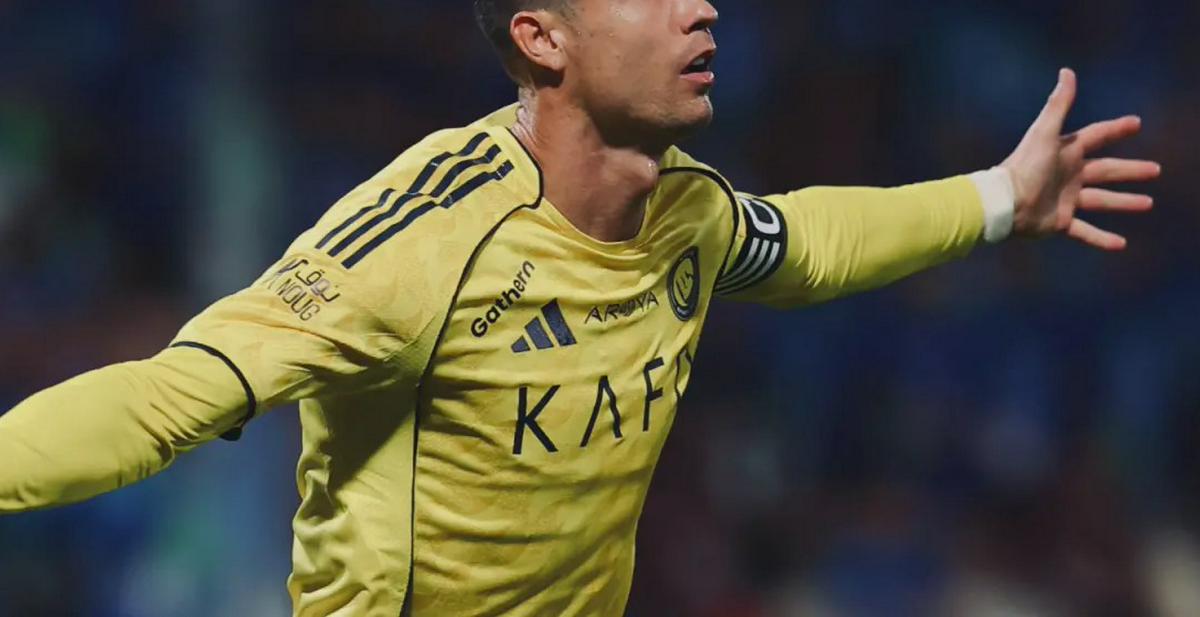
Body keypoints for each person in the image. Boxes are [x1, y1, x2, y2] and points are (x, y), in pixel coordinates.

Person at [0, 0, 1161, 615]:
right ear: (541, 37)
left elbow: (804, 240)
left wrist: (1000, 198)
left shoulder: (688, 210)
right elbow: (167, 397)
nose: (703, 11)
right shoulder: (420, 241)